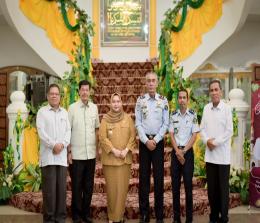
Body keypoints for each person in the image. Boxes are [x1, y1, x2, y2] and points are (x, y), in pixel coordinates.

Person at [135, 72, 169, 223]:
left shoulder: (163, 101)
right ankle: (144, 214)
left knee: (159, 179)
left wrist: (155, 140)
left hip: (158, 143)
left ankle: (159, 215)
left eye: (153, 81)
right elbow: (138, 123)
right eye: (148, 80)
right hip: (144, 143)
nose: (150, 83)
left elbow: (166, 124)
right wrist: (145, 140)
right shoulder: (140, 101)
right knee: (143, 179)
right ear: (145, 82)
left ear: (157, 83)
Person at [36, 83, 71, 223]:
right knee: (49, 192)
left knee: (61, 191)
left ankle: (60, 219)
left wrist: (62, 144)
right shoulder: (42, 112)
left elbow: (68, 131)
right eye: (52, 93)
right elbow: (41, 132)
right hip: (49, 157)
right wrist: (53, 145)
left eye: (57, 94)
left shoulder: (65, 112)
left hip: (61, 158)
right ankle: (49, 219)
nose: (54, 96)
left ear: (60, 96)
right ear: (48, 96)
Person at [99, 93, 136, 223]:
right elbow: (102, 138)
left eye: (118, 101)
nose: (116, 104)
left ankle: (119, 217)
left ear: (121, 103)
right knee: (112, 190)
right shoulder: (105, 119)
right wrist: (114, 150)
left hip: (124, 160)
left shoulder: (128, 118)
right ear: (110, 103)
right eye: (113, 101)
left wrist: (126, 150)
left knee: (122, 190)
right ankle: (112, 217)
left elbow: (133, 136)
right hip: (110, 160)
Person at [200, 80, 233, 223]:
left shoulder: (226, 109)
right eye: (211, 90)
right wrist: (207, 141)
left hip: (223, 157)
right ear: (209, 92)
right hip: (210, 156)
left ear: (221, 92)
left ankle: (224, 217)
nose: (214, 92)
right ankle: (213, 216)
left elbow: (229, 131)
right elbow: (202, 129)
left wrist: (215, 142)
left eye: (216, 89)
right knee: (212, 190)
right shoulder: (206, 108)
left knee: (223, 190)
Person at [68, 80, 100, 223]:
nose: (85, 92)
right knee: (76, 186)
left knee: (88, 186)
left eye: (87, 90)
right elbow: (67, 131)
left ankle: (86, 214)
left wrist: (97, 149)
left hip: (91, 154)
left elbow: (97, 129)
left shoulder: (94, 108)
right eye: (83, 90)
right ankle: (76, 215)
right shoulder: (72, 108)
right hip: (76, 154)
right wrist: (69, 152)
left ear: (90, 91)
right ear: (79, 91)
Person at [169, 89, 199, 223]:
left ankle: (189, 219)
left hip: (187, 154)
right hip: (176, 154)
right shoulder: (173, 115)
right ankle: (176, 218)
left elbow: (194, 135)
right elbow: (171, 135)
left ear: (187, 100)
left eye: (184, 98)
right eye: (179, 98)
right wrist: (177, 152)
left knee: (188, 187)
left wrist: (184, 151)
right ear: (177, 100)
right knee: (175, 187)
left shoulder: (193, 115)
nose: (181, 100)